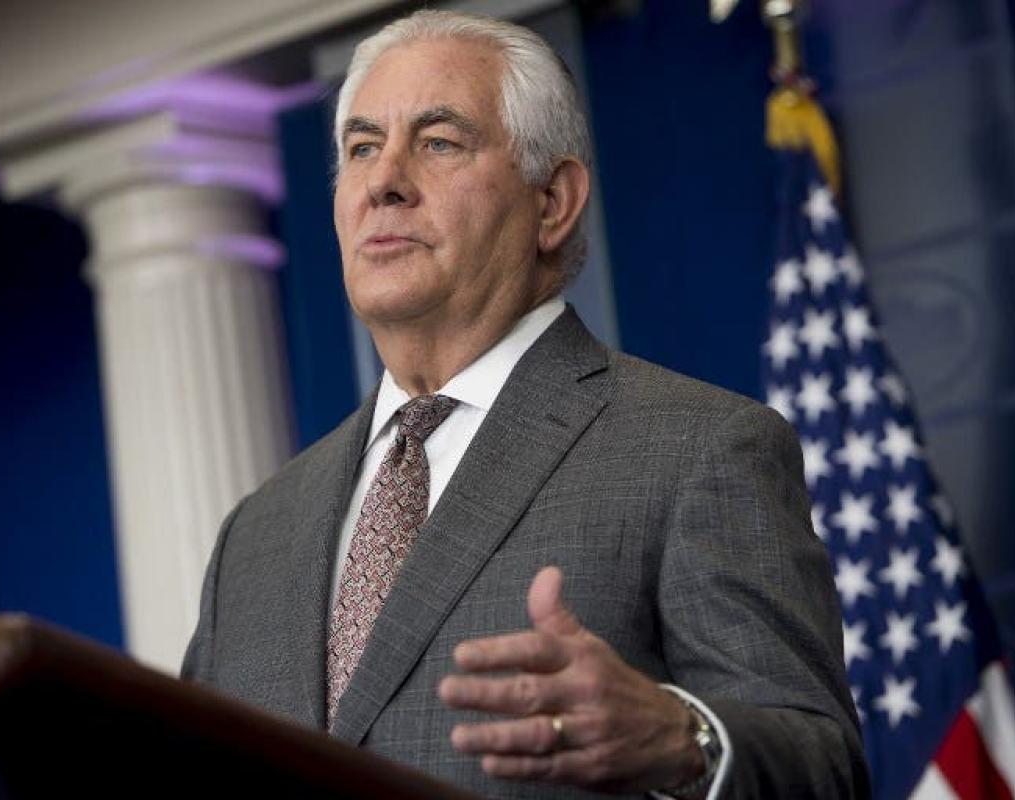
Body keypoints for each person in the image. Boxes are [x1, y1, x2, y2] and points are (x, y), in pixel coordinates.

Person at [182, 9, 868, 798]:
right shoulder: (256, 532)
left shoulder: (698, 450)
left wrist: (683, 739)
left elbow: (824, 770)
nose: (383, 182)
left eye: (439, 142)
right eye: (362, 147)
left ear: (553, 202)